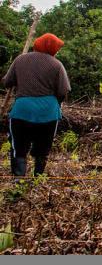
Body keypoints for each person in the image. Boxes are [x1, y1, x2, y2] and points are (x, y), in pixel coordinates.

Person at [2, 33, 72, 179]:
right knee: (43, 148)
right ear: (52, 48)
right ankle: (38, 179)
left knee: (18, 147)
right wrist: (55, 103)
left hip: (22, 110)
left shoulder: (20, 59)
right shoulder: (57, 65)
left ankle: (18, 179)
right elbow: (63, 91)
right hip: (48, 113)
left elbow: (7, 82)